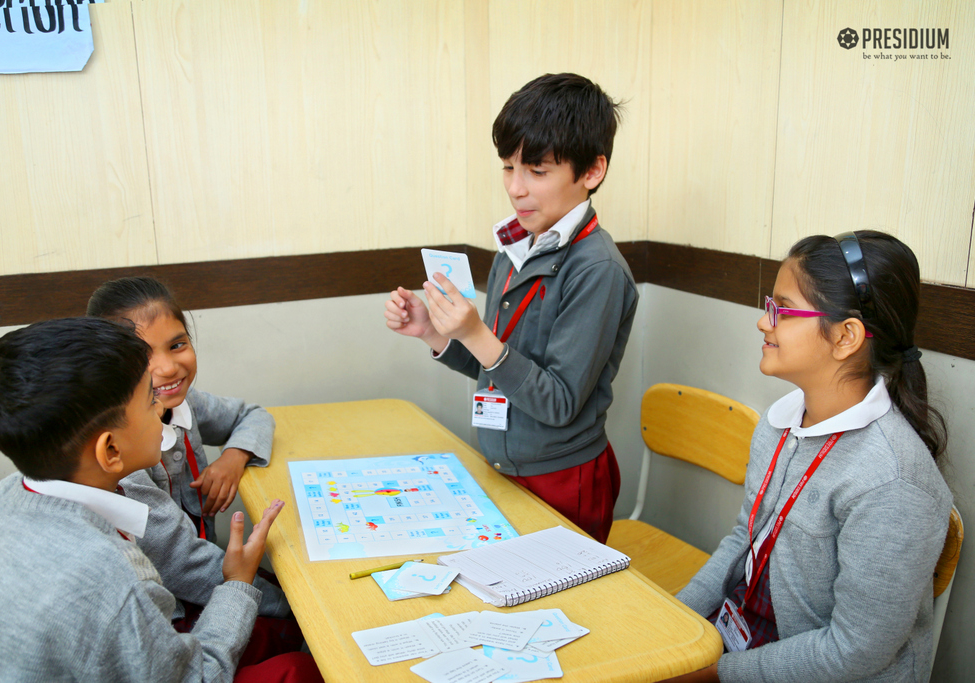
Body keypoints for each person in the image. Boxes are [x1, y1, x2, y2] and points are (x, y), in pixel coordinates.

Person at [0, 317, 321, 682]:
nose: (162, 413)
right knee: (302, 669)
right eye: (150, 404)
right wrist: (237, 583)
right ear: (111, 450)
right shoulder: (118, 580)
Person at [668, 231, 952, 683]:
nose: (764, 322)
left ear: (846, 336)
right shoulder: (780, 424)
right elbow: (743, 540)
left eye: (781, 309)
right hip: (747, 642)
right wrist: (671, 627)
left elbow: (852, 653)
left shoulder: (893, 483)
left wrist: (715, 673)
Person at [384, 73, 638, 543]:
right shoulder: (514, 249)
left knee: (565, 606)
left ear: (592, 172)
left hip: (564, 476)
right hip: (504, 466)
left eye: (537, 172)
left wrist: (476, 332)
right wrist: (436, 333)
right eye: (508, 167)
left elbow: (558, 401)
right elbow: (496, 366)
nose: (516, 188)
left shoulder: (597, 268)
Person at [88, 276, 276, 544]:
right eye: (141, 355)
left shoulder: (188, 402)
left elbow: (253, 415)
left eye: (177, 345)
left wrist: (234, 457)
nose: (168, 368)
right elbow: (174, 559)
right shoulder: (121, 453)